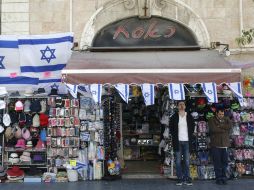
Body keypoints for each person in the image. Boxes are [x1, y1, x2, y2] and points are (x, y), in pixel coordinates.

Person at [170, 101, 195, 186]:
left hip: (187, 141)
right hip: (178, 141)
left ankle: (187, 178)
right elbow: (171, 128)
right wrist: (174, 136)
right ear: (177, 106)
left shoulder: (189, 116)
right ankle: (180, 178)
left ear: (185, 106)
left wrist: (190, 135)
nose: (181, 106)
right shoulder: (174, 117)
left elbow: (193, 126)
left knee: (187, 161)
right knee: (178, 161)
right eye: (179, 105)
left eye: (182, 104)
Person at [208, 108, 232, 185]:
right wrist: (224, 129)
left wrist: (220, 126)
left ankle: (224, 178)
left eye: (222, 114)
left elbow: (230, 126)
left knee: (224, 163)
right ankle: (218, 178)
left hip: (225, 145)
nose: (221, 116)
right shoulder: (211, 120)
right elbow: (213, 129)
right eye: (220, 114)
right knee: (217, 163)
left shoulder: (227, 119)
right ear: (216, 114)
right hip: (216, 144)